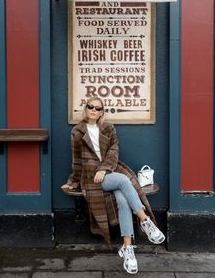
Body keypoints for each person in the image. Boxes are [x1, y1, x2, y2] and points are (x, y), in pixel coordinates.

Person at [61, 96, 165, 275]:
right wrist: (74, 181)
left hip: (109, 172)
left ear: (102, 112)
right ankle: (145, 221)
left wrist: (104, 168)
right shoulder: (77, 131)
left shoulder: (108, 128)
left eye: (97, 108)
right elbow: (77, 160)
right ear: (85, 109)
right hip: (92, 178)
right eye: (90, 107)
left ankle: (128, 249)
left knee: (123, 202)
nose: (93, 110)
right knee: (125, 181)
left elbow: (113, 151)